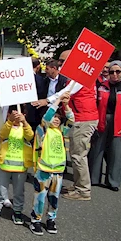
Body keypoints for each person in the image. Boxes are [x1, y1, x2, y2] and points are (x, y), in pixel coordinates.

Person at [33, 49, 99, 201]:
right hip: (81, 117)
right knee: (76, 153)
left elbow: (65, 92)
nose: (60, 64)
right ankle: (78, 185)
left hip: (83, 118)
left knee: (78, 155)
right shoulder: (77, 77)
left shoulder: (81, 77)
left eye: (63, 61)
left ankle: (83, 190)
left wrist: (47, 101)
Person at [89, 61, 121, 191]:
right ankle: (94, 178)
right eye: (111, 72)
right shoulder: (101, 86)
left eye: (117, 71)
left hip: (120, 124)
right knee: (97, 150)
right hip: (102, 120)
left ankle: (113, 181)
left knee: (117, 153)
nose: (114, 74)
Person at [31, 93, 74, 235]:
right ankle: (36, 220)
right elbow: (45, 119)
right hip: (43, 170)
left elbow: (71, 120)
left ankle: (51, 219)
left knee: (54, 197)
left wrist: (66, 105)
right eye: (54, 117)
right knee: (40, 197)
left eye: (58, 118)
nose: (56, 120)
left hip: (58, 171)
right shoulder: (42, 130)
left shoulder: (61, 132)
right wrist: (58, 100)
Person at [0, 105, 34, 225]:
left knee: (19, 191)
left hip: (20, 166)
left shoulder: (25, 128)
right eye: (12, 114)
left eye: (20, 114)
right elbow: (2, 134)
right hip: (4, 164)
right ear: (8, 115)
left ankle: (17, 211)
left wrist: (24, 123)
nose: (17, 117)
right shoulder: (6, 127)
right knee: (1, 189)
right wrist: (10, 121)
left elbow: (30, 136)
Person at [30, 59, 68, 127]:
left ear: (54, 68)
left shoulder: (64, 80)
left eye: (47, 69)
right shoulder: (45, 80)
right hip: (45, 109)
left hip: (58, 110)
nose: (45, 71)